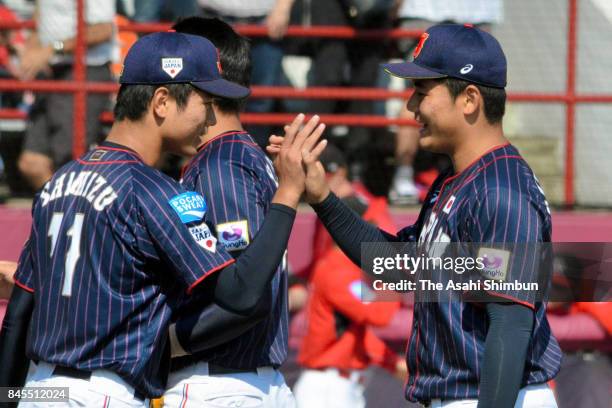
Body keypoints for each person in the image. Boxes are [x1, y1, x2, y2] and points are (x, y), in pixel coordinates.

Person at [0, 31, 326, 406]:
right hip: (103, 393)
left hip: (43, 389)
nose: (208, 116)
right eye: (204, 101)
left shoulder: (60, 180)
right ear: (161, 101)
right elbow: (242, 293)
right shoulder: (154, 190)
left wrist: (6, 395)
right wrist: (288, 194)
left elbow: (19, 314)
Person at [270, 23, 561, 407]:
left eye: (422, 92)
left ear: (470, 98)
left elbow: (509, 324)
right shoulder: (457, 181)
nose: (411, 106)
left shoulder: (500, 189)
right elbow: (392, 264)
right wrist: (322, 196)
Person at [162, 17, 295, 406]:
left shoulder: (223, 165)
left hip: (220, 385)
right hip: (237, 384)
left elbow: (243, 295)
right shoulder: (237, 157)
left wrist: (158, 343)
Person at [293, 196, 404, 408]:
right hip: (326, 389)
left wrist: (392, 362)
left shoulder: (346, 269)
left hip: (340, 385)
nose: (373, 232)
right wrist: (394, 277)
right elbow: (378, 315)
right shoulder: (337, 269)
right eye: (368, 226)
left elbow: (357, 333)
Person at [17, 0, 115, 190]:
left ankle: (72, 213)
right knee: (32, 163)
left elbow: (104, 29)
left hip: (85, 70)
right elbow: (43, 16)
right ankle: (63, 213)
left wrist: (52, 48)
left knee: (68, 161)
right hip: (52, 73)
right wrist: (32, 48)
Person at [196, 0, 295, 149]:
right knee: (209, 94)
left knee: (261, 101)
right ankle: (208, 152)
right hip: (213, 17)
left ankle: (252, 155)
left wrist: (283, 6)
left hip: (266, 21)